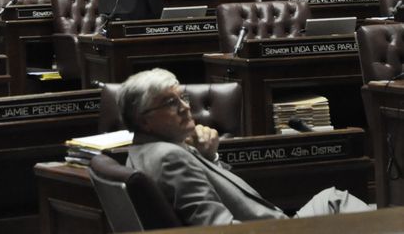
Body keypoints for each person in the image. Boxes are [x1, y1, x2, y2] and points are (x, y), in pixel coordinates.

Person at [117, 68, 371, 226]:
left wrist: (209, 156)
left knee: (333, 198)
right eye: (170, 102)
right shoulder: (169, 157)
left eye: (182, 97)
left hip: (273, 222)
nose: (184, 107)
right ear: (144, 120)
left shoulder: (143, 151)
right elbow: (216, 225)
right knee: (341, 202)